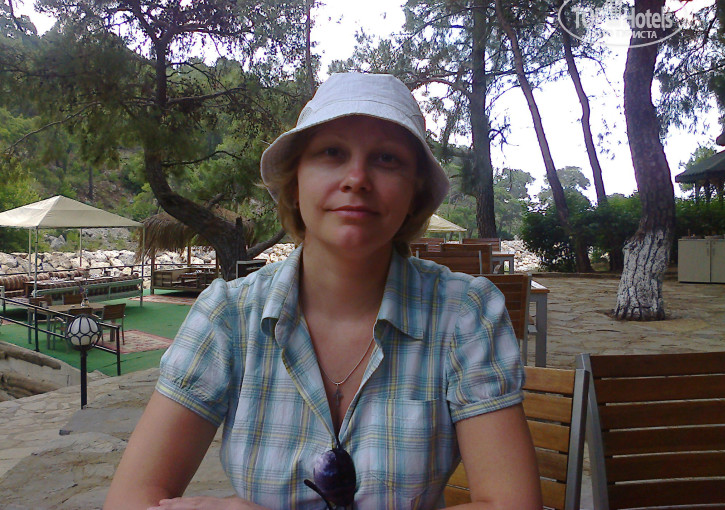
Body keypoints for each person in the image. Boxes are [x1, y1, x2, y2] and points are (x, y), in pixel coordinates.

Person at [104, 72, 542, 510]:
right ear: (295, 184)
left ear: (415, 193)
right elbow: (131, 497)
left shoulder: (463, 313)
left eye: (387, 158)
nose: (357, 178)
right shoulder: (228, 315)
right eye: (332, 152)